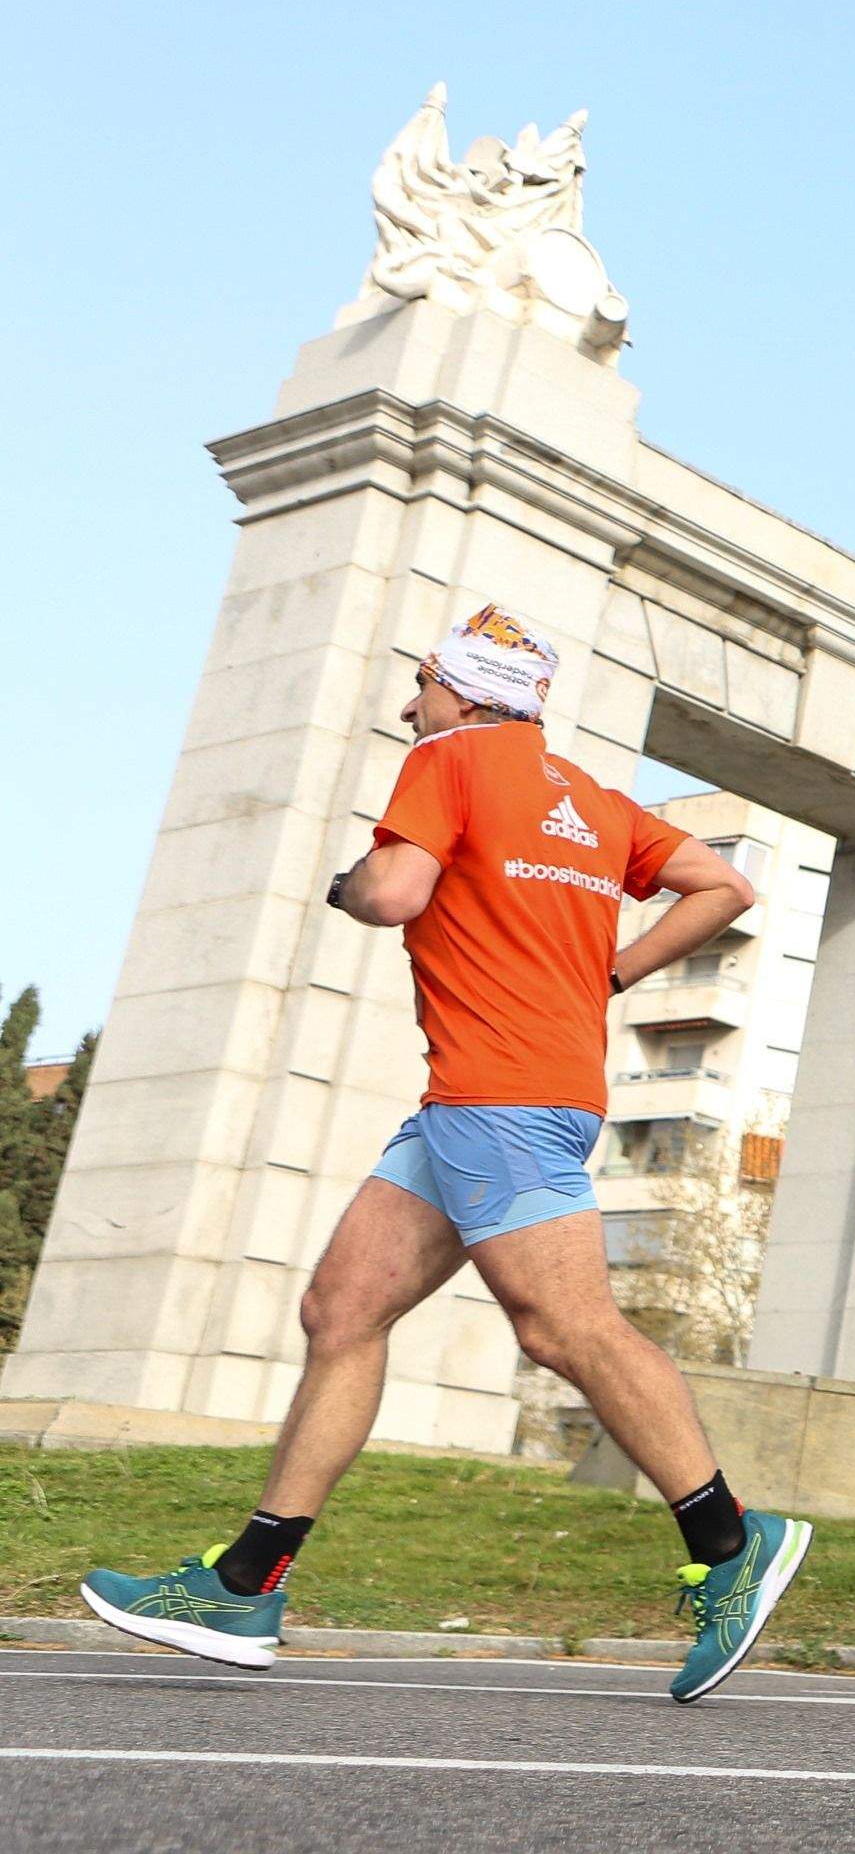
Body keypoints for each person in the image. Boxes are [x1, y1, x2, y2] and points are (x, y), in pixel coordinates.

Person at [80, 605, 815, 1704]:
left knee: (565, 1327)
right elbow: (727, 886)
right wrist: (608, 974)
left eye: (418, 683)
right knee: (343, 1309)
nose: (407, 705)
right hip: (492, 1097)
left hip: (499, 1096)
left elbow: (391, 893)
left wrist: (347, 879)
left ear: (462, 692)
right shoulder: (597, 802)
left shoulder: (449, 757)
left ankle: (729, 1540)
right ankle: (246, 1581)